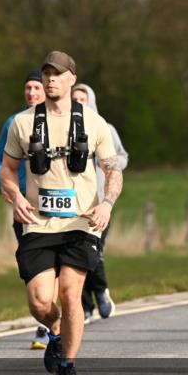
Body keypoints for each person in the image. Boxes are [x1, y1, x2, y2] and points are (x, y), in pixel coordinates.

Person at [0, 51, 121, 375]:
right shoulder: (23, 123)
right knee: (40, 301)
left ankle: (68, 365)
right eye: (46, 73)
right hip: (38, 223)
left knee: (70, 293)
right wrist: (16, 195)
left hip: (81, 223)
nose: (51, 79)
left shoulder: (94, 123)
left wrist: (107, 203)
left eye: (58, 74)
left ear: (71, 79)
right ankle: (54, 331)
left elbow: (113, 170)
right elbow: (8, 170)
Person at [0, 70, 49, 349]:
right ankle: (44, 323)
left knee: (58, 269)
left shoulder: (61, 121)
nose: (31, 93)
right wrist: (6, 187)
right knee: (34, 265)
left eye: (36, 87)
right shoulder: (13, 122)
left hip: (55, 204)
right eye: (28, 88)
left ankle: (54, 322)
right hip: (24, 205)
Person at [71, 83, 129, 321]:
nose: (79, 103)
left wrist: (108, 164)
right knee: (75, 255)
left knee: (94, 251)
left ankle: (101, 291)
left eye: (83, 99)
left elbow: (122, 158)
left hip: (100, 200)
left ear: (91, 101)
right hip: (75, 203)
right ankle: (85, 307)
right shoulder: (66, 129)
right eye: (75, 99)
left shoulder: (105, 128)